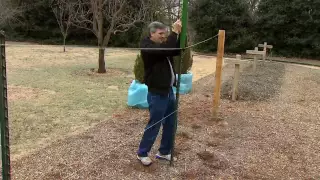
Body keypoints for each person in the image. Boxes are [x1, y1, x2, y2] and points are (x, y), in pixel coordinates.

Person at [136, 20, 182, 166]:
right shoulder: (147, 47)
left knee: (170, 123)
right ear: (152, 33)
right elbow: (167, 50)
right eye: (160, 34)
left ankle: (164, 152)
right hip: (157, 92)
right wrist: (174, 33)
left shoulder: (162, 46)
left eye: (165, 33)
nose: (163, 36)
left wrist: (179, 34)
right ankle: (142, 153)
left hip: (169, 91)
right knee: (155, 123)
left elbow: (176, 50)